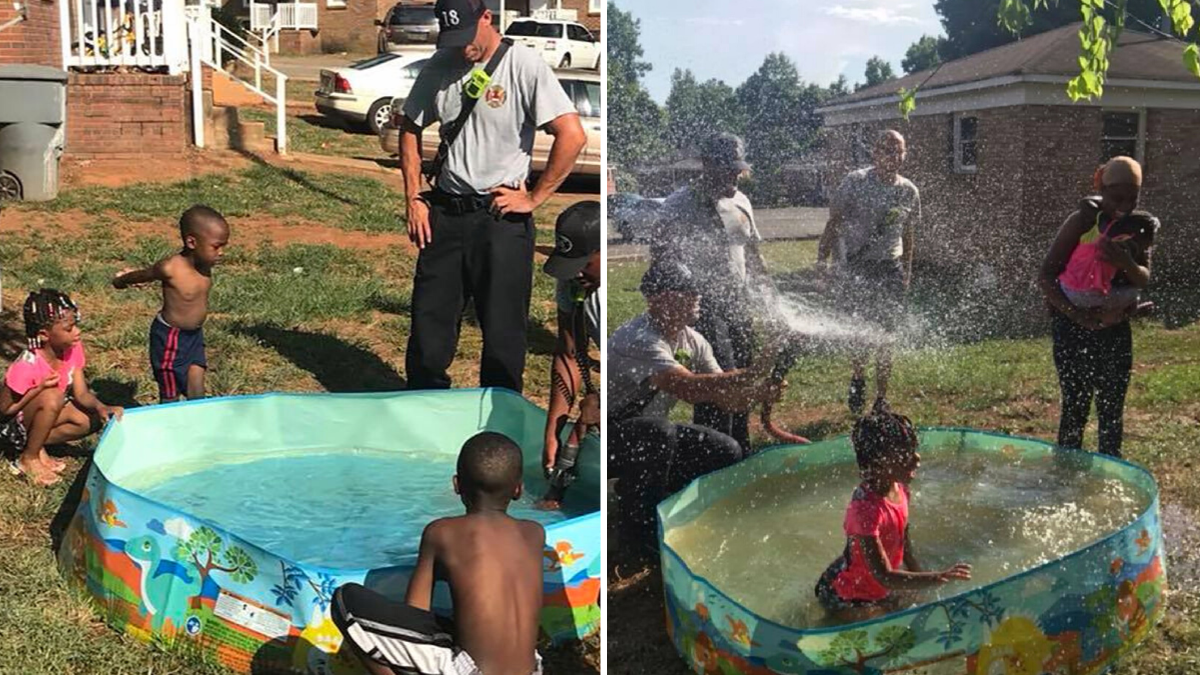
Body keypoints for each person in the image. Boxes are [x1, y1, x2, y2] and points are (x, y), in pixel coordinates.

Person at [400, 0, 586, 394]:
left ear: (487, 18)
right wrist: (414, 197)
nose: (461, 48)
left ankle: (499, 420)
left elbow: (572, 135)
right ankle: (424, 405)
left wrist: (534, 198)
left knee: (503, 333)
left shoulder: (524, 65)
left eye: (466, 36)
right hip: (445, 215)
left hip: (500, 220)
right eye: (452, 39)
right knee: (429, 328)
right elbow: (409, 128)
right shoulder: (441, 64)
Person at [331, 432, 545, 675]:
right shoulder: (534, 534)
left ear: (456, 485)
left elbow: (415, 612)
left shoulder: (442, 532)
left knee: (344, 601)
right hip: (531, 670)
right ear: (518, 489)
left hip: (471, 672)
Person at [608, 262, 782, 552]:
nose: (697, 295)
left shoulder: (693, 341)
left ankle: (672, 511)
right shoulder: (638, 338)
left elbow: (725, 397)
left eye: (696, 289)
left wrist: (759, 394)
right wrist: (753, 373)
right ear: (658, 299)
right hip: (609, 440)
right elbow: (687, 387)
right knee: (658, 432)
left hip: (647, 438)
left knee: (726, 450)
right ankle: (639, 534)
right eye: (687, 290)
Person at [649, 132, 767, 451]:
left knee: (742, 372)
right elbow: (660, 255)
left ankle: (739, 446)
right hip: (700, 305)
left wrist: (768, 293)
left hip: (738, 302)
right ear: (707, 165)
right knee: (717, 377)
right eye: (727, 170)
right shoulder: (679, 205)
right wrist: (677, 305)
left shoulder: (741, 201)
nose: (734, 177)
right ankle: (710, 451)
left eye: (737, 170)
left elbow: (752, 252)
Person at [1038, 156, 1156, 458]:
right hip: (1073, 328)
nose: (1125, 206)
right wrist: (1080, 317)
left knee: (1111, 409)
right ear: (1101, 189)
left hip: (1115, 330)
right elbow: (1046, 276)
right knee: (1075, 406)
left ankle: (1109, 471)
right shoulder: (1082, 222)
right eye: (1117, 198)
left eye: (1132, 198)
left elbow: (1143, 278)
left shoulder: (1138, 226)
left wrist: (1126, 263)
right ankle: (1066, 470)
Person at [815, 407, 971, 623]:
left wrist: (919, 575)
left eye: (914, 450)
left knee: (915, 610)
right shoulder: (864, 510)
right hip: (846, 595)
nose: (916, 458)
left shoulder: (901, 489)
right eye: (905, 454)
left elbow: (903, 542)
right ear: (878, 462)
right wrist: (937, 577)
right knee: (884, 626)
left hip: (877, 587)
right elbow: (884, 576)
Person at [817, 129, 921, 415]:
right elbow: (834, 223)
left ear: (904, 155)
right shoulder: (856, 182)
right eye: (887, 150)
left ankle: (881, 398)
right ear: (875, 153)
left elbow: (908, 234)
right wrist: (822, 262)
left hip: (890, 268)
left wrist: (907, 271)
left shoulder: (908, 191)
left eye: (898, 151)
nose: (893, 156)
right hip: (859, 266)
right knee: (861, 330)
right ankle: (858, 377)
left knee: (887, 334)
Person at [1, 289, 124, 486]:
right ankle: (28, 458)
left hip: (40, 415)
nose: (77, 332)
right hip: (11, 428)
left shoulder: (72, 349)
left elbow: (81, 394)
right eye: (69, 329)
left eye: (76, 325)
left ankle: (36, 445)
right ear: (44, 335)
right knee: (53, 397)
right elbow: (4, 411)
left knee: (89, 420)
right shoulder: (27, 366)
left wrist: (101, 407)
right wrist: (38, 388)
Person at [113, 205, 229, 402]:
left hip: (194, 336)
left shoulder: (204, 265)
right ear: (192, 242)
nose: (221, 252)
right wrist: (122, 280)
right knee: (170, 391)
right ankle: (169, 416)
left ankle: (197, 416)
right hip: (170, 338)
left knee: (197, 389)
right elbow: (146, 274)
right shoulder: (170, 268)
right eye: (216, 246)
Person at [539, 201, 601, 509]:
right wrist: (553, 431)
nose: (575, 273)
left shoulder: (607, 298)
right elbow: (569, 354)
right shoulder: (573, 280)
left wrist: (601, 402)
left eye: (584, 263)